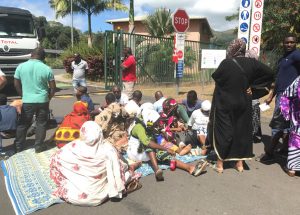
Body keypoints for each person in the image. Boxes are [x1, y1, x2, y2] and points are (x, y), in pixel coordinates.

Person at [207, 39, 273, 173]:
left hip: (225, 103)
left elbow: (217, 78)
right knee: (242, 131)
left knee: (224, 130)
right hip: (244, 101)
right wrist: (254, 88)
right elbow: (270, 74)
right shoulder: (252, 63)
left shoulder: (226, 63)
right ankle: (240, 165)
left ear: (232, 49)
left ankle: (220, 164)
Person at [50, 121, 129, 206]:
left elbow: (55, 158)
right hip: (99, 196)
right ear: (99, 133)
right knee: (125, 173)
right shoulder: (108, 149)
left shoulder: (74, 146)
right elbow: (120, 168)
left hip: (74, 196)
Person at [127, 109, 208, 181]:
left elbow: (157, 140)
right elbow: (147, 143)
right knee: (151, 147)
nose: (157, 124)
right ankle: (157, 170)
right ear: (148, 120)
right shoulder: (138, 127)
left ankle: (190, 168)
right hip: (135, 153)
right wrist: (165, 148)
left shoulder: (147, 125)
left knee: (164, 155)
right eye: (155, 122)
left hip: (143, 153)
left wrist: (165, 147)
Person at [259, 34, 300, 162]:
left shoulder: (296, 55)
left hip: (290, 97)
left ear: (296, 43)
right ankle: (284, 150)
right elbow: (279, 79)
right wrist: (272, 95)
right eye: (286, 42)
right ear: (283, 43)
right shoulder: (282, 58)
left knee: (278, 124)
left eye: (292, 42)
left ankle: (270, 153)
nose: (289, 44)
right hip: (281, 95)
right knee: (284, 125)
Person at [14, 47, 56, 153]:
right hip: (43, 100)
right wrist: (48, 97)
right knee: (41, 123)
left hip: (28, 100)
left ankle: (19, 146)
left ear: (31, 54)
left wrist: (23, 95)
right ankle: (39, 146)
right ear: (43, 57)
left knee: (23, 123)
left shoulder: (21, 67)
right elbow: (53, 87)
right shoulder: (46, 68)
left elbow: (16, 83)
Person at [280, 76, 300, 176]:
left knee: (296, 140)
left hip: (297, 119)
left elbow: (286, 94)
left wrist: (285, 111)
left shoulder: (298, 79)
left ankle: (292, 169)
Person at [245, 50, 263, 143]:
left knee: (252, 118)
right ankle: (251, 135)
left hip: (252, 99)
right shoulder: (256, 69)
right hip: (250, 100)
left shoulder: (255, 70)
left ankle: (251, 136)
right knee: (253, 118)